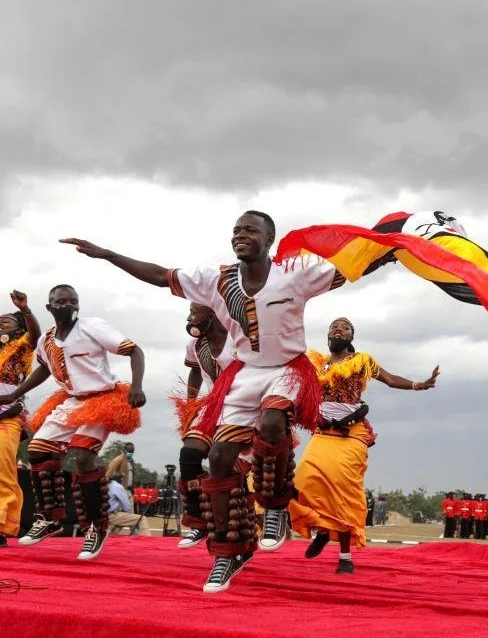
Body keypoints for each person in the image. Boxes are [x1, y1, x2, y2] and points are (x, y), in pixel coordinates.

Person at [60, 210, 346, 592]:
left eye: (250, 230)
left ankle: (276, 505)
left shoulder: (296, 272)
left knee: (274, 422)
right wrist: (108, 254)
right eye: (236, 230)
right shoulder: (217, 278)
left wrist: (397, 247)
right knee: (218, 460)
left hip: (288, 368)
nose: (240, 235)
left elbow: (356, 262)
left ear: (270, 240)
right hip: (243, 375)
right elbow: (160, 275)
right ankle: (229, 552)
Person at [0, 284, 146, 561]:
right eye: (60, 301)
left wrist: (137, 386)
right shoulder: (48, 338)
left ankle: (95, 527)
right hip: (71, 400)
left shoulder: (93, 327)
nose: (67, 305)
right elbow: (44, 367)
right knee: (37, 450)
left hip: (103, 398)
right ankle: (50, 518)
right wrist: (17, 393)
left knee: (82, 455)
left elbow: (135, 351)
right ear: (50, 307)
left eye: (72, 301)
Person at [290, 316, 439, 574]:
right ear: (328, 336)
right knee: (303, 481)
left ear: (351, 337)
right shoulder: (319, 365)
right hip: (323, 434)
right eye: (333, 327)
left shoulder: (362, 361)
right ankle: (324, 531)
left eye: (344, 327)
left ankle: (345, 557)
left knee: (345, 492)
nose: (338, 329)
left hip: (351, 435)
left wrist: (419, 385)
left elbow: (391, 380)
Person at [174, 303, 234, 549]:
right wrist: (190, 407)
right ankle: (198, 520)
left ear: (212, 313)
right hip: (212, 407)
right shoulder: (195, 345)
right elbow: (196, 371)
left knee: (232, 470)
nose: (189, 317)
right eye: (189, 311)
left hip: (243, 406)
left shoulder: (237, 336)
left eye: (194, 312)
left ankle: (239, 531)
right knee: (189, 454)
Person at [0, 290, 41, 547]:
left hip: (7, 417)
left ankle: (2, 526)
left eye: (6, 320)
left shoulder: (23, 348)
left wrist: (25, 310)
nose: (0, 322)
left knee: (2, 471)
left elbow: (36, 336)